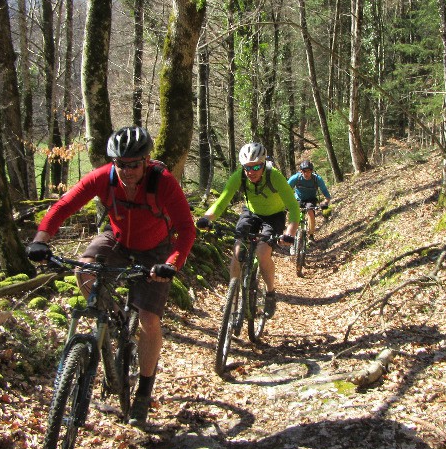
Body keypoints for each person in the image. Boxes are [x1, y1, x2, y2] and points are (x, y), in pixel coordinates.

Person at [25, 126, 196, 429]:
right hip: (116, 239)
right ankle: (114, 318)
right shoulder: (104, 177)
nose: (127, 171)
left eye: (133, 164)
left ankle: (143, 391)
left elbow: (186, 227)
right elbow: (64, 205)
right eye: (121, 164)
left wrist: (172, 263)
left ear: (146, 161)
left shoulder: (163, 182)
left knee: (148, 320)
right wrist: (41, 238)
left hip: (156, 250)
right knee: (83, 268)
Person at [197, 142, 300, 318]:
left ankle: (270, 293)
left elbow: (293, 207)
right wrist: (206, 218)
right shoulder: (240, 176)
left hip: (274, 216)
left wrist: (289, 232)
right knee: (237, 251)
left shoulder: (274, 176)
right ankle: (233, 298)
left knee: (262, 253)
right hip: (251, 213)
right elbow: (222, 201)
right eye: (247, 168)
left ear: (264, 163)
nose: (251, 172)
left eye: (256, 167)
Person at [287, 160, 331, 240]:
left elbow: (325, 192)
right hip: (298, 199)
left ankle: (311, 236)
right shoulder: (296, 178)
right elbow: (285, 189)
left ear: (312, 171)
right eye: (304, 171)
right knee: (294, 214)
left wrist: (326, 202)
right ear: (301, 171)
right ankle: (291, 236)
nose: (306, 173)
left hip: (311, 199)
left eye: (309, 171)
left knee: (310, 212)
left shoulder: (317, 179)